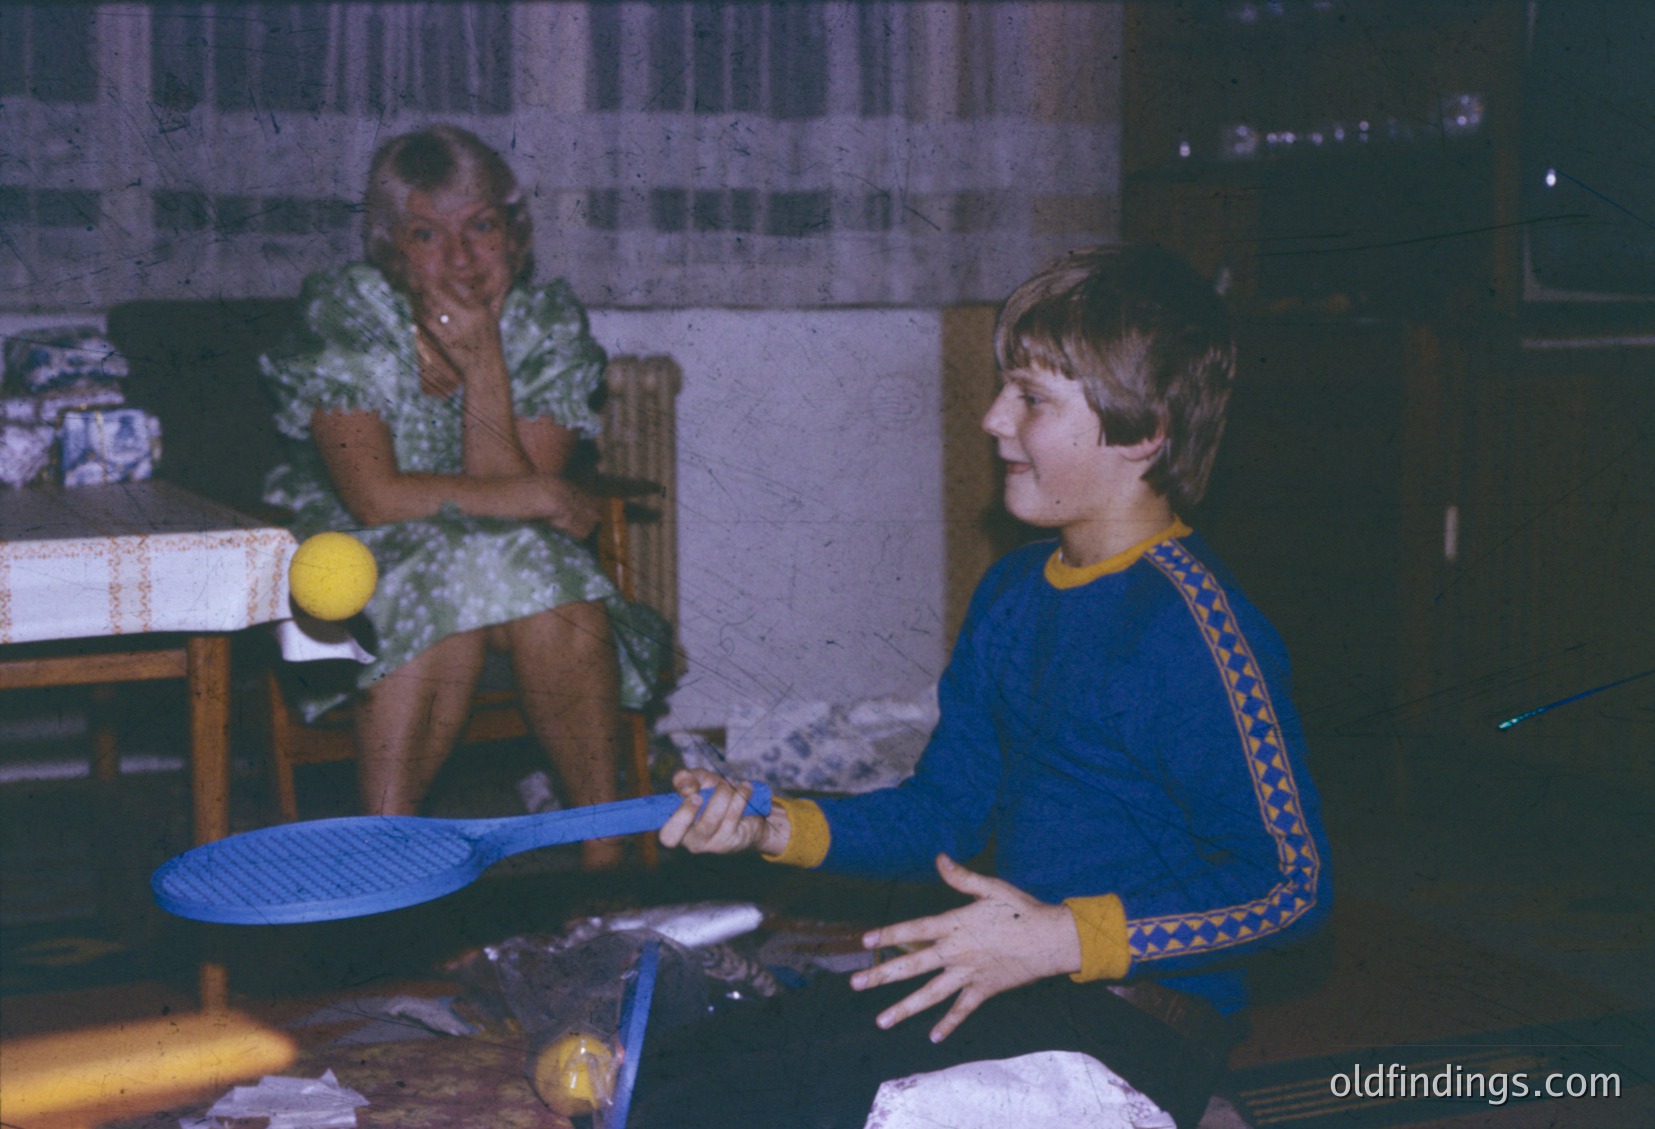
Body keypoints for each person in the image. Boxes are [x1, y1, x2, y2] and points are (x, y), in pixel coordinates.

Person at [642, 246, 1333, 1127]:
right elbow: (942, 816)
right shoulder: (1013, 591)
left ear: (1143, 429)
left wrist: (1062, 935)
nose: (992, 418)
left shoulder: (1192, 630)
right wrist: (771, 821)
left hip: (1126, 1030)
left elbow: (1291, 885)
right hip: (1006, 989)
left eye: (1032, 399)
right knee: (670, 1076)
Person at [261, 124, 665, 867]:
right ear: (388, 249)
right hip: (359, 549)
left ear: (516, 233)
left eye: (480, 226)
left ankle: (605, 871)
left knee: (543, 586)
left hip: (503, 549)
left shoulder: (545, 323)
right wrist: (542, 491)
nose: (459, 258)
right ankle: (388, 871)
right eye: (425, 234)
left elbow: (499, 489)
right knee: (466, 587)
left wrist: (483, 364)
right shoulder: (349, 311)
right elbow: (376, 497)